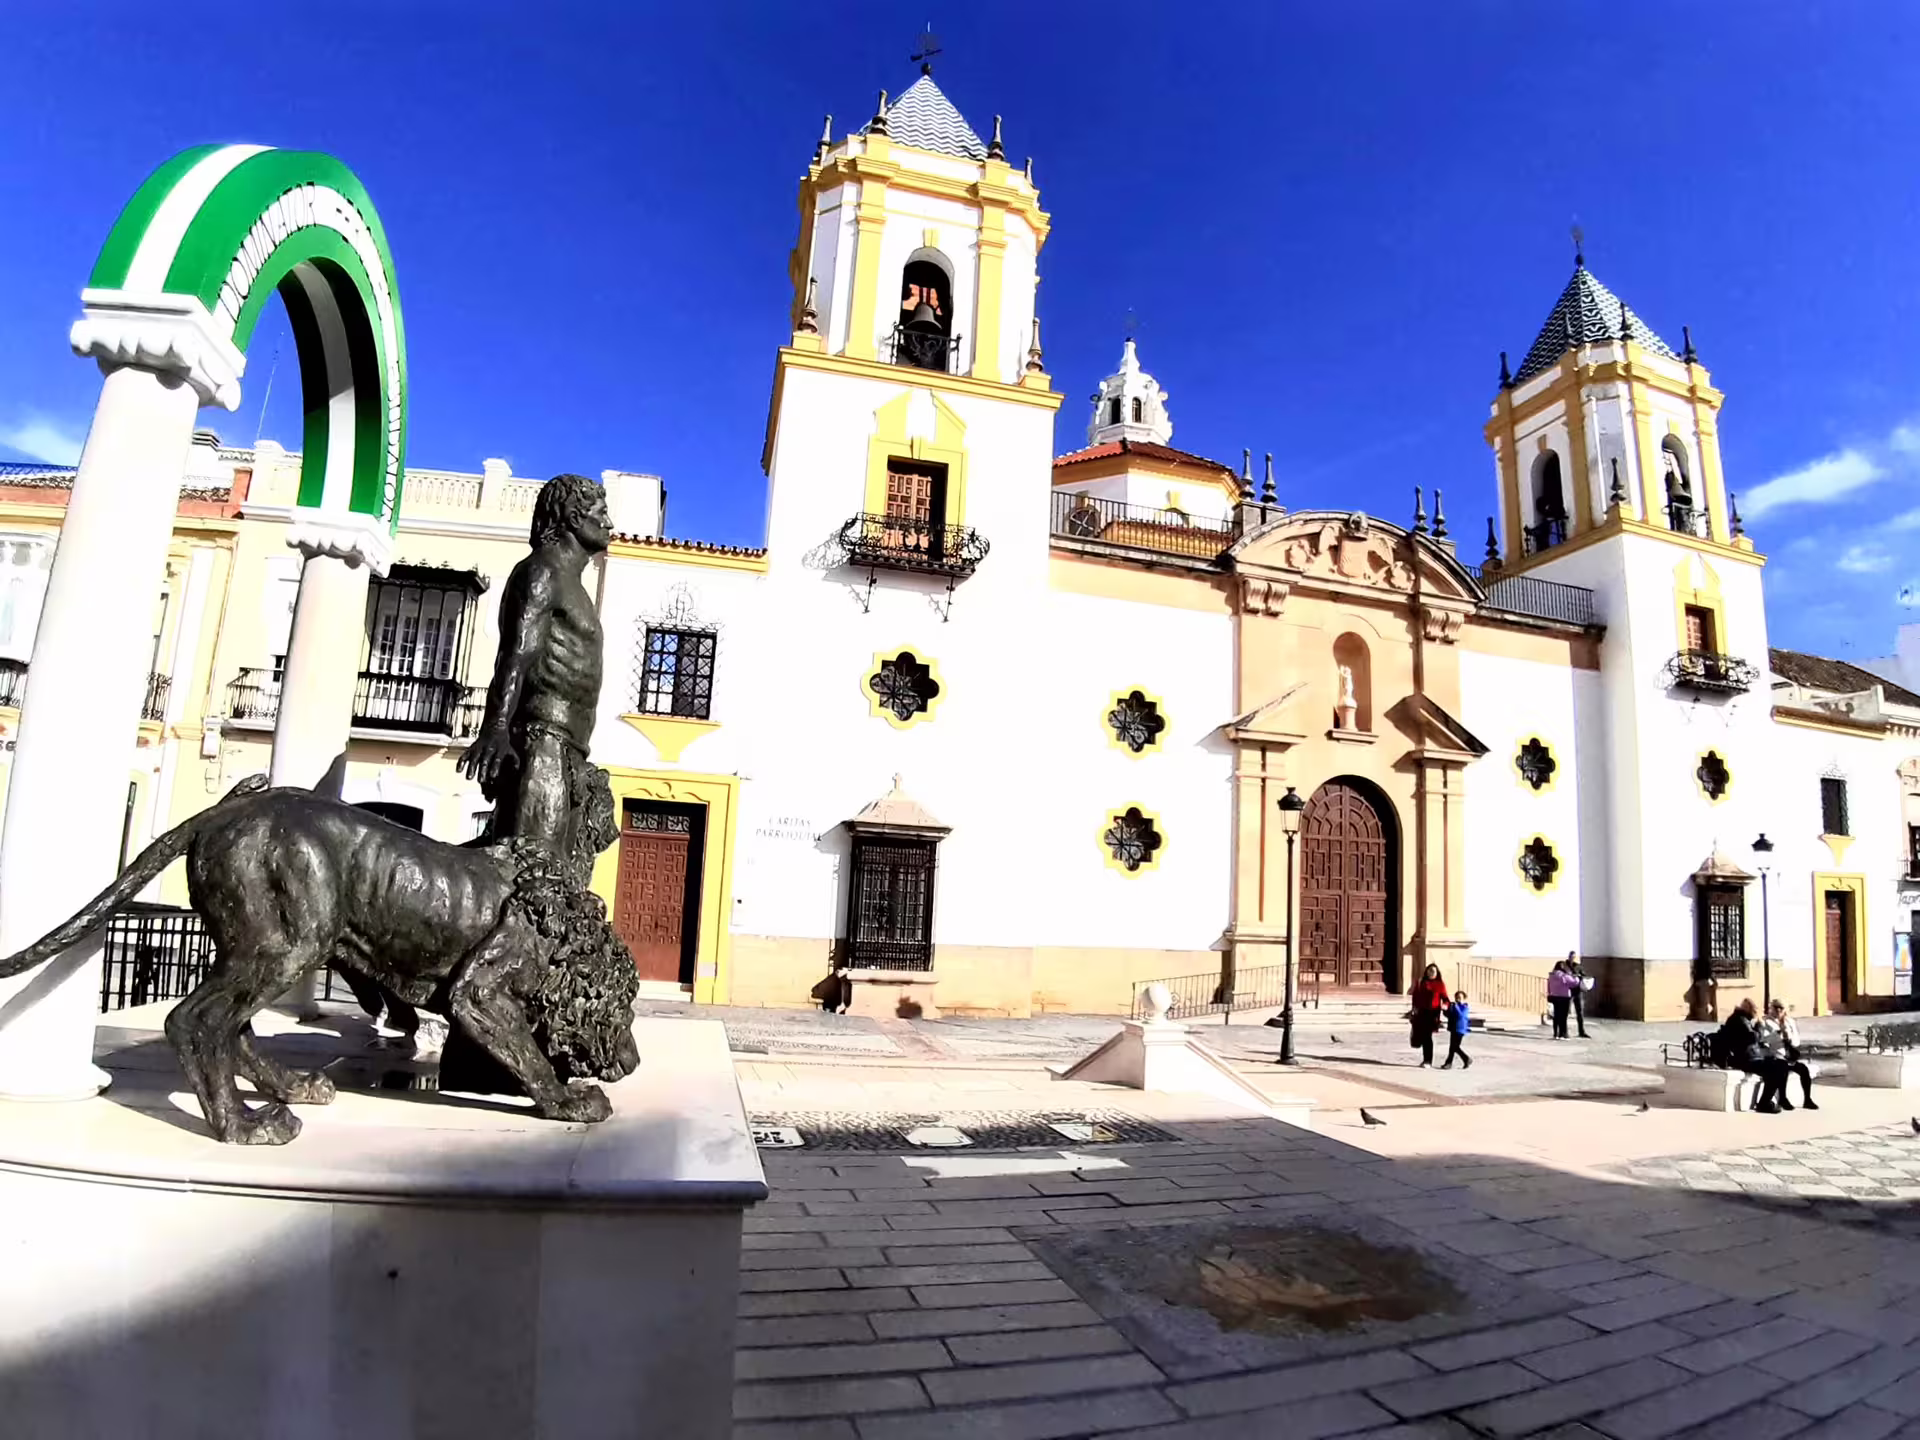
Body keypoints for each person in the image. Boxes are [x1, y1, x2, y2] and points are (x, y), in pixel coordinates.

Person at [457, 474, 613, 874]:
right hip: (543, 744)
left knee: (553, 875)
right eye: (601, 513)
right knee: (532, 876)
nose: (609, 524)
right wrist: (496, 727)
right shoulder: (542, 572)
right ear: (574, 518)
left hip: (567, 749)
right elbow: (517, 654)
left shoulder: (571, 584)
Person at [1718, 997, 1791, 1113]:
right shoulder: (1740, 1020)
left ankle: (1766, 1102)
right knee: (1777, 1069)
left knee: (1780, 1066)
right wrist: (1760, 1024)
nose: (1758, 1013)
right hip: (1743, 1060)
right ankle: (1764, 1103)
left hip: (1750, 1057)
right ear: (1751, 1009)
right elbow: (1753, 1038)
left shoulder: (1742, 1019)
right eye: (1756, 1010)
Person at [1760, 999, 1819, 1111]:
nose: (1778, 1010)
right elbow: (1763, 1039)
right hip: (1775, 1056)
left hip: (1789, 1056)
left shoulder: (1789, 1022)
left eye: (1781, 1008)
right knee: (1783, 1069)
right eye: (1776, 1007)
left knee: (1804, 1070)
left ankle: (1807, 1099)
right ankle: (1783, 1098)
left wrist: (1789, 1038)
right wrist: (1777, 1035)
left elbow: (1797, 1041)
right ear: (1771, 1008)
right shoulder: (1766, 1021)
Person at [1409, 963, 1451, 1068]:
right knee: (1424, 1037)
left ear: (1437, 973)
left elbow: (1446, 999)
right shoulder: (1421, 982)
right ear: (1426, 971)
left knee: (1427, 1037)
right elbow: (1415, 997)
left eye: (1433, 971)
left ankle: (1428, 1060)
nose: (1431, 972)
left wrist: (1445, 1006)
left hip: (1432, 1014)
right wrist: (1414, 1009)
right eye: (1429, 970)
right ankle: (1426, 1060)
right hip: (1421, 1013)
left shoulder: (1440, 984)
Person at [1441, 990, 1473, 1070]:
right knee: (1452, 1047)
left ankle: (1466, 1059)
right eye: (1457, 998)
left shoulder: (1465, 1007)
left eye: (1460, 998)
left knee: (1455, 1047)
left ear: (1464, 999)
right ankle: (1450, 1063)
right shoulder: (1453, 1006)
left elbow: (1460, 1015)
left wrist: (1455, 1007)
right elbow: (1449, 1015)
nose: (1458, 999)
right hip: (1453, 1028)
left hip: (1460, 1029)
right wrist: (1444, 1010)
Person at [1566, 951, 1593, 1039]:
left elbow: (1584, 976)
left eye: (1573, 957)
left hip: (1577, 991)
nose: (1572, 958)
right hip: (1567, 991)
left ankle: (1581, 1031)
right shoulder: (1564, 966)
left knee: (1579, 1012)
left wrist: (1578, 976)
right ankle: (1564, 1032)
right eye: (1571, 956)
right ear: (1568, 956)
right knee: (1565, 1012)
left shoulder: (1578, 966)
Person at [1546, 961, 1575, 1040]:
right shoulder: (1564, 976)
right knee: (1563, 1016)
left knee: (1556, 1015)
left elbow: (1548, 985)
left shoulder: (1551, 975)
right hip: (1564, 997)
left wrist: (1550, 993)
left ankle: (1556, 1034)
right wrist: (1575, 978)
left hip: (1554, 996)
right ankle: (1563, 1033)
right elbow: (1573, 983)